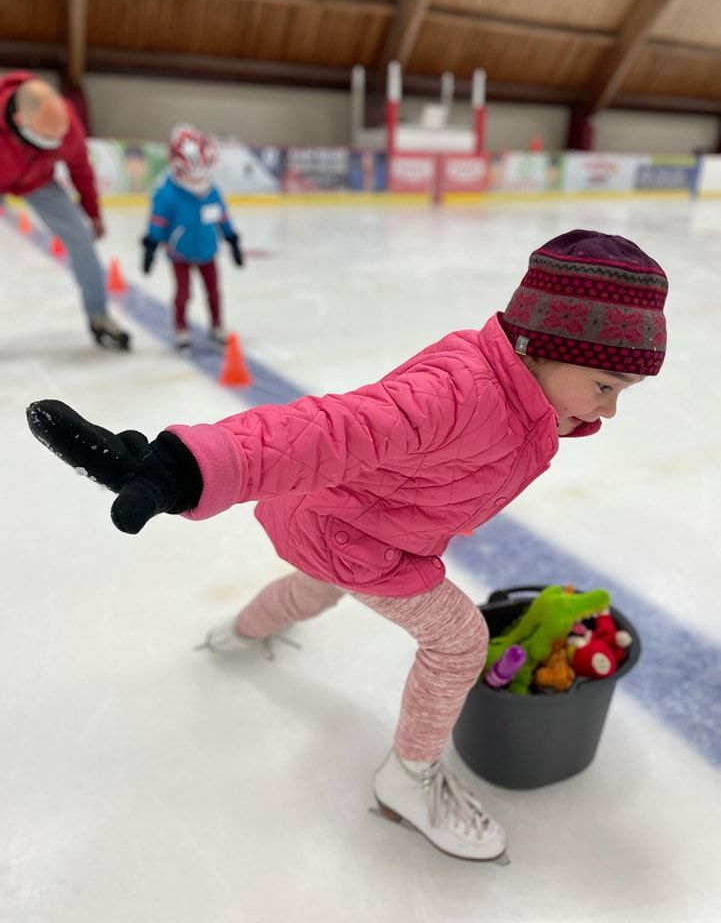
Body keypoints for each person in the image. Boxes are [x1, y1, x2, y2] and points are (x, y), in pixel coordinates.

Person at [26, 230, 668, 861]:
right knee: (460, 640)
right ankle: (408, 778)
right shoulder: (461, 392)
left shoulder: (519, 387)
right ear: (540, 347)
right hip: (356, 538)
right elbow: (333, 429)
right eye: (605, 387)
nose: (608, 413)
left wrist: (571, 406)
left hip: (338, 525)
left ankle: (241, 635)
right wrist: (190, 466)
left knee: (316, 590)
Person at [0, 72, 130, 350]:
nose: (57, 145)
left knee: (82, 239)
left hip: (38, 181)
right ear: (21, 121)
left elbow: (80, 169)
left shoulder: (65, 122)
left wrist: (93, 213)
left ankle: (99, 316)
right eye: (48, 139)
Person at [141, 124, 243, 352]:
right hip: (180, 253)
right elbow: (158, 221)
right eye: (191, 177)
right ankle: (181, 328)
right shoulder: (166, 193)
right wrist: (150, 244)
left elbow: (222, 216)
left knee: (214, 291)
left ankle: (217, 326)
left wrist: (232, 238)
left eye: (202, 176)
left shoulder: (212, 191)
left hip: (208, 250)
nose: (197, 183)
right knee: (183, 293)